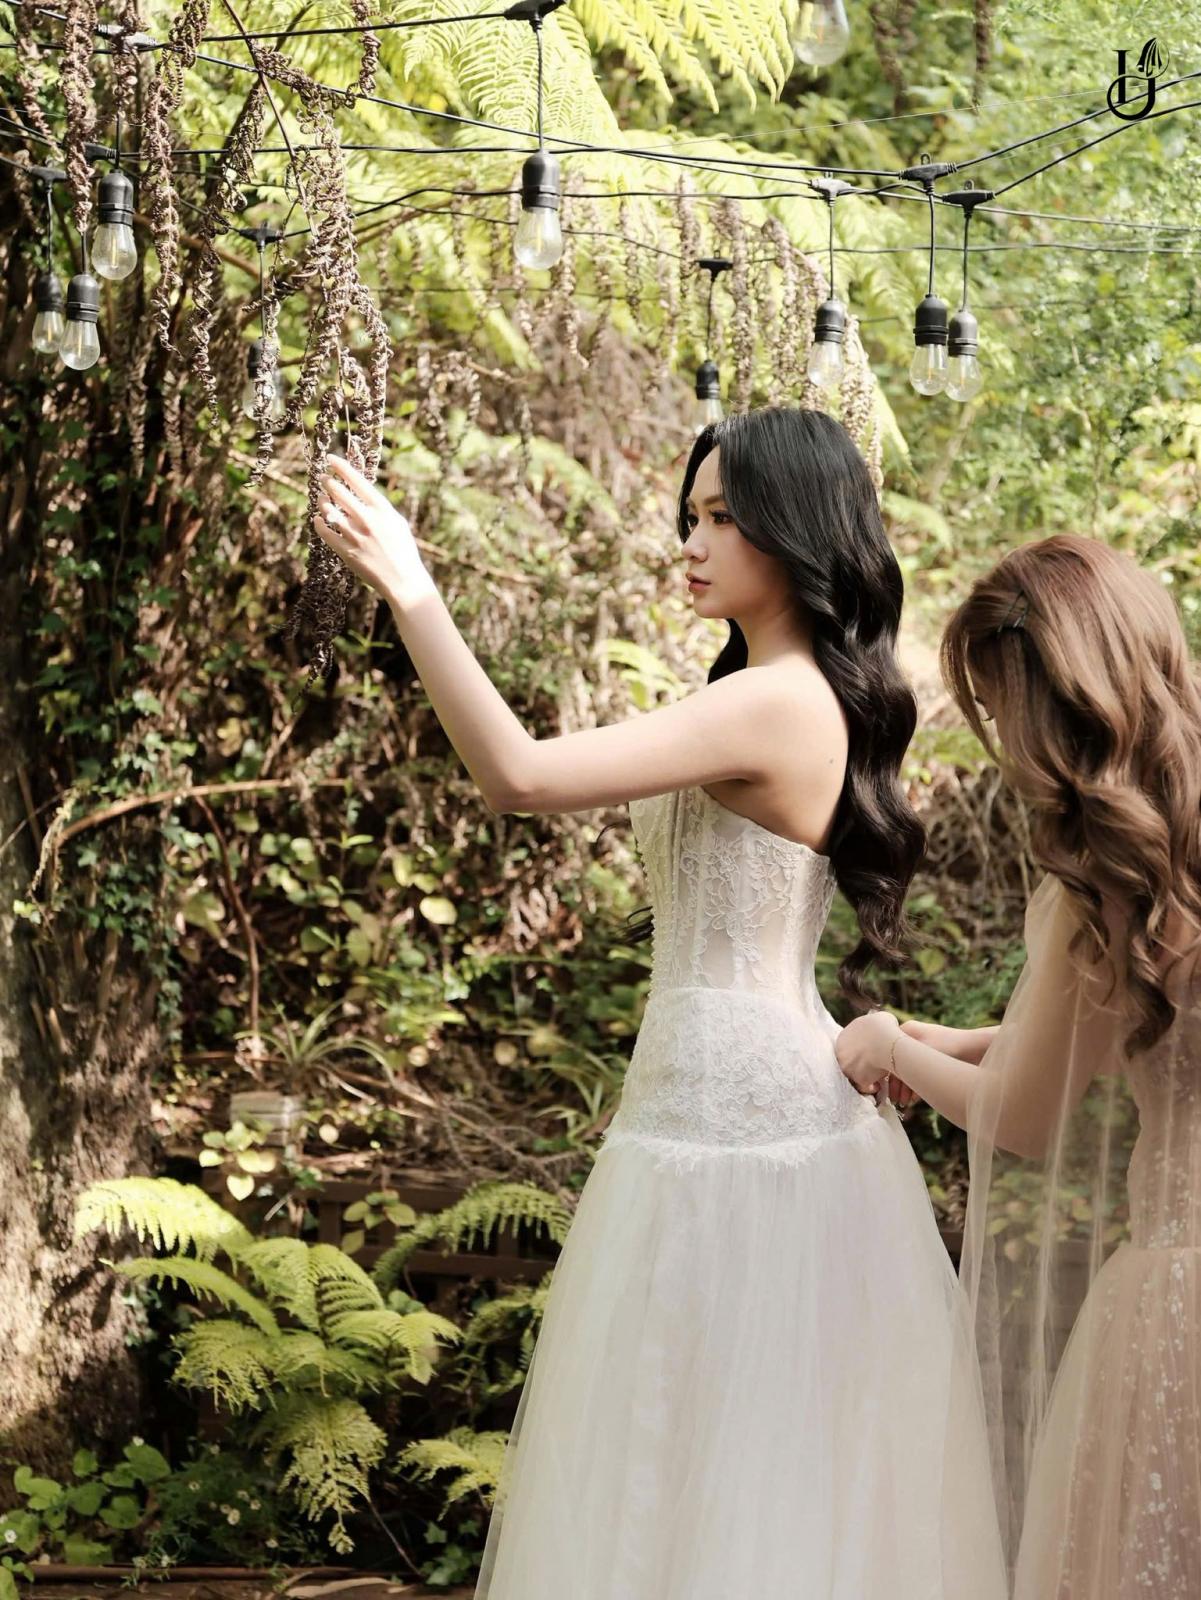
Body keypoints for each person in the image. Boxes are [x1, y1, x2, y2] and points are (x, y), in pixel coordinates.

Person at [314, 406, 1005, 1600]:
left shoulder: (777, 702)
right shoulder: (768, 692)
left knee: (726, 1468)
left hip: (749, 1134)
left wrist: (413, 589)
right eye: (690, 515)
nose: (690, 542)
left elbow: (519, 774)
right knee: (683, 1461)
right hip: (702, 1110)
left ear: (796, 529)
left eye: (723, 517)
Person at [835, 533, 1201, 1599]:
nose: (1003, 745)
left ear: (1054, 707)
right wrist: (948, 1043)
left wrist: (886, 1044)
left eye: (1000, 712)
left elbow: (1023, 1116)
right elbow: (1147, 1040)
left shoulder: (1105, 883)